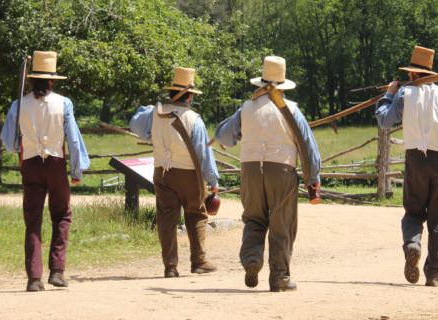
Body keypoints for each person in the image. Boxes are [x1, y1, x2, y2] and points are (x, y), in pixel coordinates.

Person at [215, 56, 321, 292]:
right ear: (282, 84)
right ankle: (279, 277)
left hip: (250, 169)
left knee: (253, 219)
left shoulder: (247, 107)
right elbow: (308, 146)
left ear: (261, 83)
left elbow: (223, 136)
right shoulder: (292, 110)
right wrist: (313, 178)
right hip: (282, 170)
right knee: (282, 223)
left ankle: (252, 259)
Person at [2, 51, 90, 292]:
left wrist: (25, 143)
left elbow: (9, 143)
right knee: (61, 215)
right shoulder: (64, 103)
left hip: (30, 164)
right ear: (52, 80)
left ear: (31, 79)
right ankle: (57, 272)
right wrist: (77, 171)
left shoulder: (18, 105)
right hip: (55, 164)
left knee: (33, 220)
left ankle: (33, 278)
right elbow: (73, 140)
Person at [374, 46, 438, 287]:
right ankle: (433, 274)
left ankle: (412, 244)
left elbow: (384, 120)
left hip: (414, 159)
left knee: (413, 211)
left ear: (412, 74)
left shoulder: (403, 94)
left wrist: (388, 95)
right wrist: (437, 132)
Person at [129, 67, 220, 278]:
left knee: (166, 218)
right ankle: (198, 261)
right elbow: (203, 154)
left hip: (162, 172)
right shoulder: (194, 119)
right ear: (188, 96)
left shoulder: (155, 113)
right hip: (188, 174)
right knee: (196, 215)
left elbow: (135, 125)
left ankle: (170, 266)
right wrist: (212, 179)